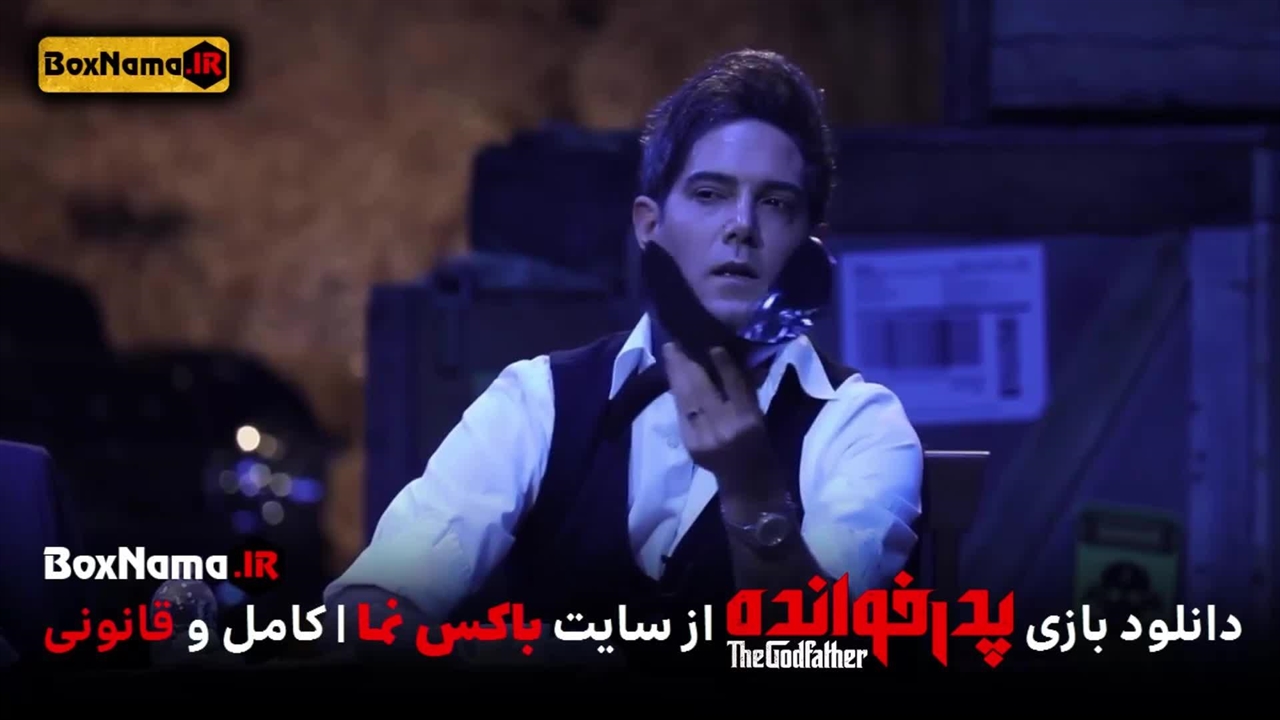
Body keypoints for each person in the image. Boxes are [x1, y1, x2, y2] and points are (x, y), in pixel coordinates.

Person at [325, 49, 923, 663]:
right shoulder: (538, 400)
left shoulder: (858, 424)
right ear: (649, 225)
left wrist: (753, 492)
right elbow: (367, 611)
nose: (741, 225)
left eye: (775, 203)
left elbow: (823, 651)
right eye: (710, 194)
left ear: (807, 243)